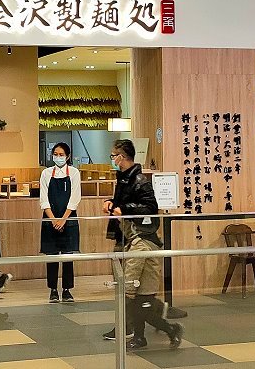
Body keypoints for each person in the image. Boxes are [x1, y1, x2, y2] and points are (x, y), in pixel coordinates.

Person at [102, 139, 184, 350]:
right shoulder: (123, 179)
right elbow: (124, 203)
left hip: (142, 239)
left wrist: (124, 209)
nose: (112, 159)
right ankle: (140, 333)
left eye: (114, 155)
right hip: (129, 237)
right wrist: (112, 204)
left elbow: (150, 207)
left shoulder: (139, 181)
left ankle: (165, 326)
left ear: (122, 156)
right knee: (137, 298)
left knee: (136, 297)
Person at [39, 142, 81, 303]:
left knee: (68, 256)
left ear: (68, 156)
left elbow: (75, 198)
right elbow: (43, 199)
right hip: (50, 220)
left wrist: (63, 219)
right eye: (55, 154)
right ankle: (53, 290)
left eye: (61, 154)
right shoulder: (46, 173)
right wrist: (53, 219)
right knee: (51, 256)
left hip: (68, 219)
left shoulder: (74, 173)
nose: (58, 157)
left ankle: (67, 290)